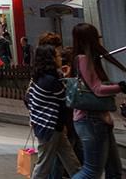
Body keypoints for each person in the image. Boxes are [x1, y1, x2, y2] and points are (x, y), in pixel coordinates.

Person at [70, 23, 126, 179]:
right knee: (91, 171)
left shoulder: (87, 58)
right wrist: (120, 87)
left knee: (114, 170)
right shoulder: (84, 59)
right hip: (90, 120)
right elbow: (97, 89)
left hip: (98, 119)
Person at [27, 45, 81, 179]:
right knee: (44, 165)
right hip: (50, 127)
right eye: (57, 56)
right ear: (50, 59)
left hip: (47, 126)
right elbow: (65, 100)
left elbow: (28, 98)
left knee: (70, 160)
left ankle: (80, 176)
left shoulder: (39, 77)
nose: (60, 58)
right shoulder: (51, 80)